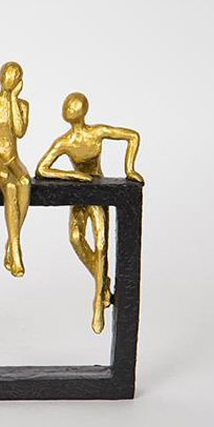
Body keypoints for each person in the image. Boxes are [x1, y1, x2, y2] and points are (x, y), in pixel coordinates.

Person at [35, 92, 144, 333]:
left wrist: (130, 169)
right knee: (76, 238)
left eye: (72, 107)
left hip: (99, 192)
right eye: (66, 107)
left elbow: (132, 136)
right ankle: (102, 281)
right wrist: (73, 175)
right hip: (80, 193)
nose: (68, 110)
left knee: (102, 244)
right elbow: (42, 169)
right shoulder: (64, 142)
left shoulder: (97, 132)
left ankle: (97, 304)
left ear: (82, 110)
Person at [0, 62, 31, 277]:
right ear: (1, 77)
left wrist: (13, 99)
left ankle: (12, 243)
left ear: (20, 80)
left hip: (13, 159)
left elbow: (19, 132)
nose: (10, 80)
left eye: (15, 76)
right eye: (7, 75)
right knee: (10, 186)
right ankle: (16, 251)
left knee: (25, 181)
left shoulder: (22, 105)